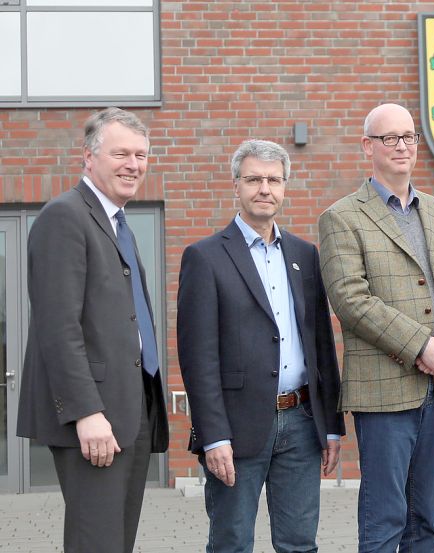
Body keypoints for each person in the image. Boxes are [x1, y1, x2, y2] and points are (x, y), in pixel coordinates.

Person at [318, 103, 434, 552]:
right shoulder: (341, 217)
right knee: (384, 519)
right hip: (384, 389)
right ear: (367, 145)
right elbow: (351, 301)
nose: (401, 146)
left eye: (408, 137)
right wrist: (419, 347)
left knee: (425, 520)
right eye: (389, 137)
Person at [177, 139, 344, 553]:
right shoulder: (205, 257)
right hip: (236, 429)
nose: (264, 189)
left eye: (273, 180)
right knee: (232, 542)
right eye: (253, 179)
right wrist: (213, 437)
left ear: (285, 186)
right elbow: (198, 358)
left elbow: (321, 344)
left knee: (300, 543)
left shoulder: (305, 255)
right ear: (236, 186)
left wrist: (332, 423)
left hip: (302, 424)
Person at [16, 107, 169, 553]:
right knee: (96, 542)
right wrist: (86, 412)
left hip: (130, 408)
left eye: (142, 155)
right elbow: (58, 327)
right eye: (121, 152)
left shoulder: (119, 224)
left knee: (116, 540)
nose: (134, 164)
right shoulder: (64, 217)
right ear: (88, 158)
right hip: (95, 416)